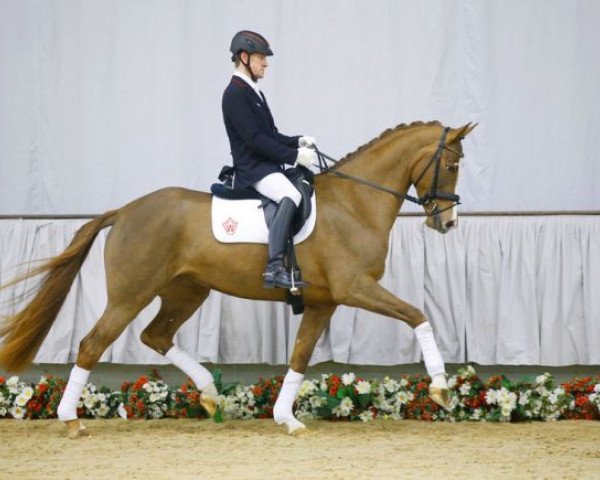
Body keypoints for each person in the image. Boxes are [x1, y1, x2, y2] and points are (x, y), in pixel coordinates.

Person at [222, 30, 317, 290]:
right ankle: (274, 267)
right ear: (244, 57)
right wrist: (294, 156)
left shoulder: (254, 93)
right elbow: (254, 140)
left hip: (266, 166)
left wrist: (297, 141)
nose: (265, 63)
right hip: (253, 170)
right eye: (261, 58)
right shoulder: (234, 93)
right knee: (291, 195)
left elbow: (271, 135)